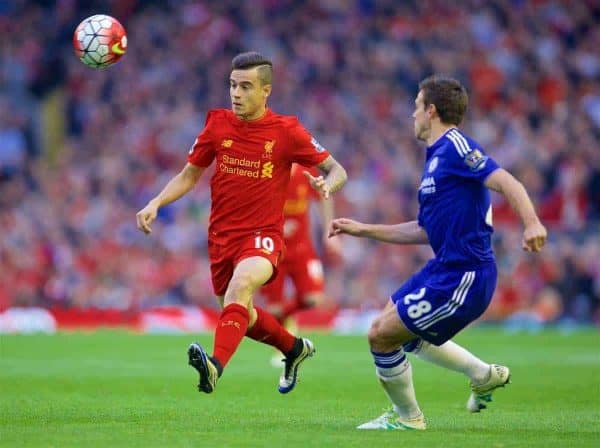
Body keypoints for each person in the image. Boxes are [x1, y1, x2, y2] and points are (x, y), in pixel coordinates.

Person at [329, 75, 547, 430]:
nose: (412, 114)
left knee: (381, 335)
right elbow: (425, 231)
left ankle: (408, 418)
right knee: (389, 325)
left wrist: (532, 222)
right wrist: (363, 230)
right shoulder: (435, 160)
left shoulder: (457, 148)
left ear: (431, 111)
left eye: (416, 106)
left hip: (466, 273)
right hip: (443, 266)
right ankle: (481, 374)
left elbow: (506, 181)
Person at [136, 51, 347, 395]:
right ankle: (294, 349)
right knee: (240, 314)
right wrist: (156, 202)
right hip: (221, 238)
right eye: (233, 85)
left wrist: (327, 184)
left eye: (246, 87)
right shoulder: (217, 124)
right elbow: (189, 175)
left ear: (266, 91)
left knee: (241, 287)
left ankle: (214, 367)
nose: (236, 93)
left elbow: (338, 169)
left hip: (263, 237)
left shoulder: (287, 131)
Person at [260, 163, 342, 364]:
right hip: (273, 250)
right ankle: (285, 344)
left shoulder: (307, 174)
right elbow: (254, 209)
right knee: (275, 310)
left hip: (302, 250)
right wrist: (277, 227)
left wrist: (328, 231)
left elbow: (325, 196)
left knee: (314, 298)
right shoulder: (267, 173)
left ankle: (287, 323)